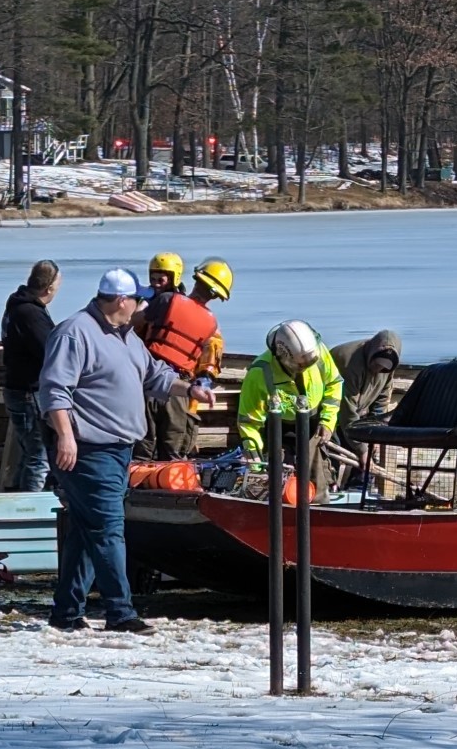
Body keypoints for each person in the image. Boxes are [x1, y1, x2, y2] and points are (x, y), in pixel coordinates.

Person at [38, 268, 216, 633]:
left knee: (87, 531)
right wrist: (66, 437)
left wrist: (190, 390)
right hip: (87, 448)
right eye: (138, 299)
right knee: (108, 528)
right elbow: (54, 390)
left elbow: (155, 376)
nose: (143, 306)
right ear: (122, 300)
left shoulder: (127, 337)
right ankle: (120, 611)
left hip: (119, 449)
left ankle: (67, 612)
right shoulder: (75, 333)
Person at [134, 257, 232, 459]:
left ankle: (136, 486)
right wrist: (202, 384)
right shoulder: (213, 325)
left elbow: (134, 327)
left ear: (196, 279)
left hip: (147, 382)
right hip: (180, 389)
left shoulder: (166, 301)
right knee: (173, 452)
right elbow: (210, 365)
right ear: (216, 296)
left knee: (141, 448)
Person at [236, 320, 345, 496]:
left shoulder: (317, 351)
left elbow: (334, 383)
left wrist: (328, 421)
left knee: (316, 488)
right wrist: (257, 466)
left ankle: (319, 516)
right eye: (302, 366)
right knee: (281, 490)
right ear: (283, 355)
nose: (307, 369)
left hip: (314, 429)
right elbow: (249, 424)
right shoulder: (260, 373)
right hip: (279, 434)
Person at [1, 260, 61, 492]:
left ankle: (15, 499)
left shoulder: (19, 304)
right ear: (49, 289)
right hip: (28, 391)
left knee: (29, 453)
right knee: (39, 455)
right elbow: (50, 350)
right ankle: (29, 506)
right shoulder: (30, 313)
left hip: (19, 387)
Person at [331, 329, 402, 453]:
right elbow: (346, 409)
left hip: (359, 412)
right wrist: (361, 448)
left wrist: (374, 434)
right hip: (333, 413)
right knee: (336, 453)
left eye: (383, 367)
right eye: (376, 364)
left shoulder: (389, 367)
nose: (378, 369)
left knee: (365, 456)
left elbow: (382, 399)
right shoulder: (349, 363)